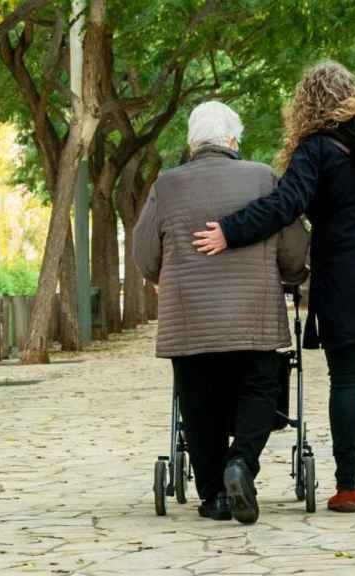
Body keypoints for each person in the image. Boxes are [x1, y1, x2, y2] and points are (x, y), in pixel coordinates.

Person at [192, 61, 355, 515]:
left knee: (348, 381)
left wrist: (230, 231)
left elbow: (284, 206)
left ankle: (348, 488)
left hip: (342, 280)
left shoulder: (314, 149)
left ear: (306, 103)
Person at [132, 101, 308, 525]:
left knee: (198, 401)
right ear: (233, 141)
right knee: (260, 389)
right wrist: (292, 273)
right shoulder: (263, 177)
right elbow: (293, 250)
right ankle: (241, 465)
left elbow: (143, 254)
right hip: (254, 316)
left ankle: (213, 495)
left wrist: (162, 274)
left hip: (189, 320)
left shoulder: (167, 185)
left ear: (193, 143)